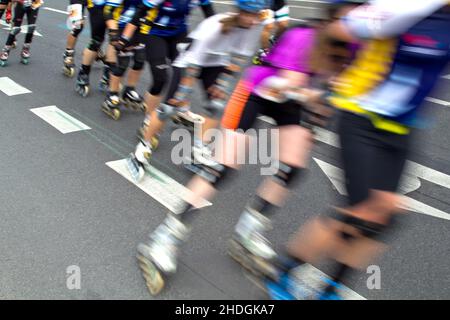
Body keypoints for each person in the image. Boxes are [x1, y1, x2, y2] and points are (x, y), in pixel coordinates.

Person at [260, 0, 450, 300]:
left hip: (401, 130)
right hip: (361, 117)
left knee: (384, 219)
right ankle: (283, 272)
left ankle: (330, 289)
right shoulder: (407, 9)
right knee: (360, 211)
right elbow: (338, 29)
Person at [130, 0, 271, 295]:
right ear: (240, 11)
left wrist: (221, 84)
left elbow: (235, 62)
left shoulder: (254, 27)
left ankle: (197, 148)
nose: (252, 21)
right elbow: (191, 66)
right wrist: (181, 97)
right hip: (192, 61)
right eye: (248, 15)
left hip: (216, 63)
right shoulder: (214, 26)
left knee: (214, 105)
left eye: (256, 16)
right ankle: (143, 145)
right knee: (169, 108)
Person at [114, 0, 215, 141]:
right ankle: (149, 119)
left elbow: (211, 18)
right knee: (160, 78)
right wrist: (124, 39)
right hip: (154, 33)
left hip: (179, 33)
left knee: (185, 73)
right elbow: (139, 14)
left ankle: (182, 109)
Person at [101, 0, 148, 120]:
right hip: (122, 26)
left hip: (141, 28)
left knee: (140, 60)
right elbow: (108, 10)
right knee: (123, 63)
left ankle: (129, 90)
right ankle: (112, 94)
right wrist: (113, 32)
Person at [75, 0, 116, 97]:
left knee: (115, 39)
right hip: (98, 5)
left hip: (117, 7)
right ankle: (83, 73)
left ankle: (108, 72)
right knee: (96, 40)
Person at [0, 0, 44, 66]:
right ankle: (6, 51)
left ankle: (25, 49)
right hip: (20, 4)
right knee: (16, 28)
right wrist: (9, 12)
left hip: (34, 4)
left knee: (32, 27)